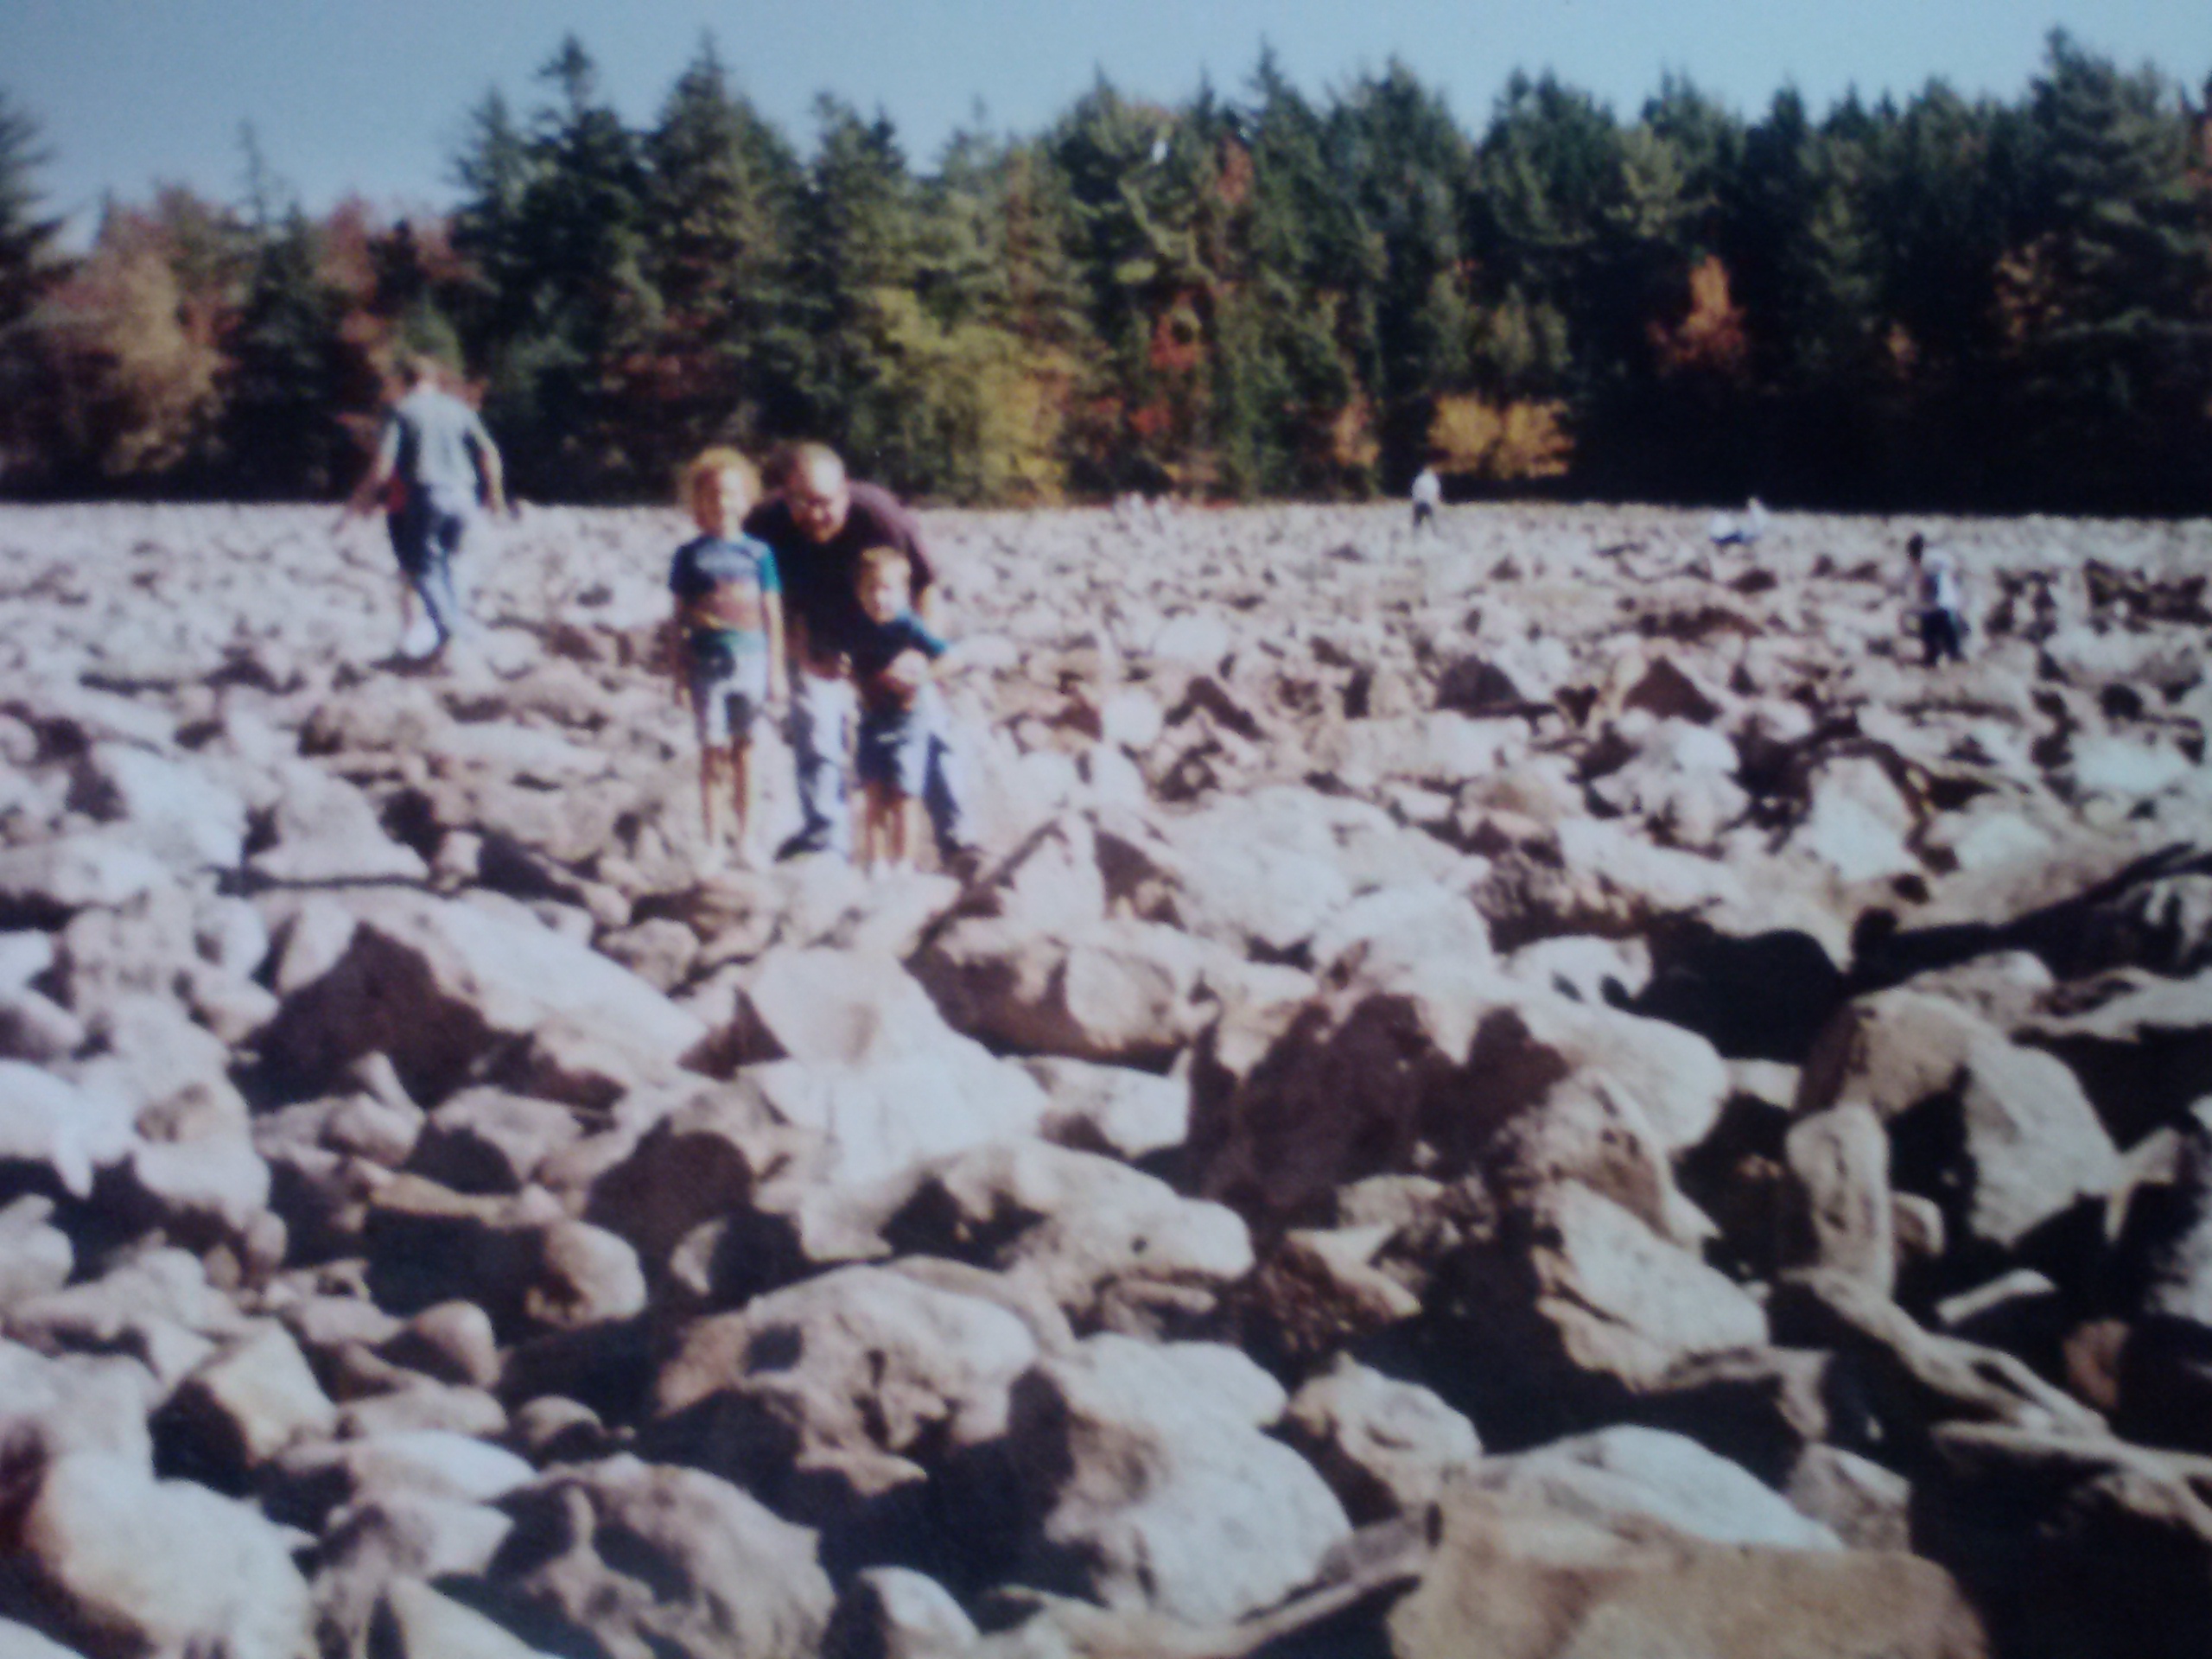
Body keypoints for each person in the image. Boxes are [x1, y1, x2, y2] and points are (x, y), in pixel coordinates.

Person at [742, 442, 974, 868]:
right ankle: (826, 839)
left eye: (825, 503)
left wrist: (920, 659)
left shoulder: (878, 515)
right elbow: (764, 604)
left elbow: (925, 585)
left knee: (930, 722)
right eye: (802, 502)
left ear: (845, 493)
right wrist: (803, 654)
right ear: (785, 494)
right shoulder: (764, 524)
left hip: (888, 630)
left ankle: (958, 840)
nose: (814, 514)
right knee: (814, 726)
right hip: (818, 631)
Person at [344, 353, 506, 658]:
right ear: (434, 379)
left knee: (421, 568)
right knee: (445, 564)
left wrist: (362, 501)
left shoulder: (403, 411)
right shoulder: (459, 409)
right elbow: (489, 452)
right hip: (465, 495)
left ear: (405, 382)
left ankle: (454, 633)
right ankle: (452, 634)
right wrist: (495, 495)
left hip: (428, 493)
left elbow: (382, 466)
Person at [665, 448, 784, 863]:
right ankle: (713, 840)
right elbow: (677, 619)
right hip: (706, 668)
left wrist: (777, 672)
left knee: (746, 751)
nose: (723, 504)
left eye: (731, 495)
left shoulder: (759, 553)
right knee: (713, 753)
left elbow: (772, 613)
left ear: (747, 498)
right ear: (699, 502)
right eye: (713, 496)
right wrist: (678, 674)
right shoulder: (689, 556)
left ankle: (747, 838)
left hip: (751, 663)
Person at [848, 546, 957, 875]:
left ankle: (904, 863)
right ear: (859, 592)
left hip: (909, 722)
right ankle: (877, 862)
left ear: (904, 593)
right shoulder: (858, 627)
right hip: (871, 721)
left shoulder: (909, 626)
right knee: (873, 793)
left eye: (887, 589)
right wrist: (850, 675)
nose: (879, 598)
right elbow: (851, 665)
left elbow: (951, 658)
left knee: (905, 794)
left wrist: (924, 677)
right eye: (871, 588)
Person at [1905, 531, 1968, 664]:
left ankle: (1956, 663)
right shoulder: (1914, 564)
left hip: (1943, 606)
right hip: (1929, 609)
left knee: (1952, 645)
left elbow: (1956, 571)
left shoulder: (1937, 559)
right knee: (1931, 648)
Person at [1410, 464, 1441, 531]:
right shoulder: (1433, 481)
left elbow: (1414, 490)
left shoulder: (1419, 479)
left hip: (1419, 502)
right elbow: (1436, 492)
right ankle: (1435, 532)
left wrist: (1415, 501)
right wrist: (1435, 502)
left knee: (1417, 521)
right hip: (1428, 503)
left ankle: (1415, 533)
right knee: (1432, 520)